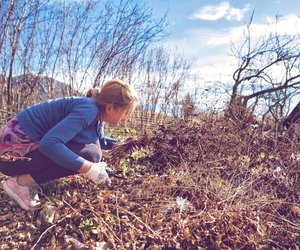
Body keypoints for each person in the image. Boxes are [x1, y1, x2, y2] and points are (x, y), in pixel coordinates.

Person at [0, 79, 138, 211]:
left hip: (19, 152)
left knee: (94, 151)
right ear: (110, 108)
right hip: (10, 158)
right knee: (91, 155)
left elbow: (100, 140)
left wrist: (124, 144)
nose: (128, 118)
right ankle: (20, 182)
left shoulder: (96, 114)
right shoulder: (88, 111)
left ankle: (25, 178)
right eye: (126, 113)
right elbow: (49, 144)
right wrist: (89, 168)